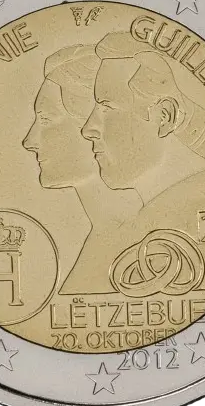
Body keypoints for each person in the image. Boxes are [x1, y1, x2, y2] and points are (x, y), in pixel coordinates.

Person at [81, 32, 205, 295]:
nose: (88, 128)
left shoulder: (203, 222)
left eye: (107, 107)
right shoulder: (142, 223)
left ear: (165, 117)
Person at [22, 45, 141, 294]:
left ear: (94, 125)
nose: (29, 141)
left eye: (46, 119)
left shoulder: (139, 241)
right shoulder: (105, 235)